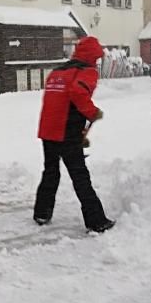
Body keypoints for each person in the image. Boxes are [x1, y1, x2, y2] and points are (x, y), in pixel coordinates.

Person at [33, 36, 114, 233]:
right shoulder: (86, 71)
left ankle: (42, 213)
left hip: (48, 129)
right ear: (92, 56)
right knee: (80, 175)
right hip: (65, 131)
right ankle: (96, 221)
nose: (97, 62)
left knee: (50, 172)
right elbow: (78, 93)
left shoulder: (58, 71)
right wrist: (92, 112)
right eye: (97, 58)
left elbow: (58, 101)